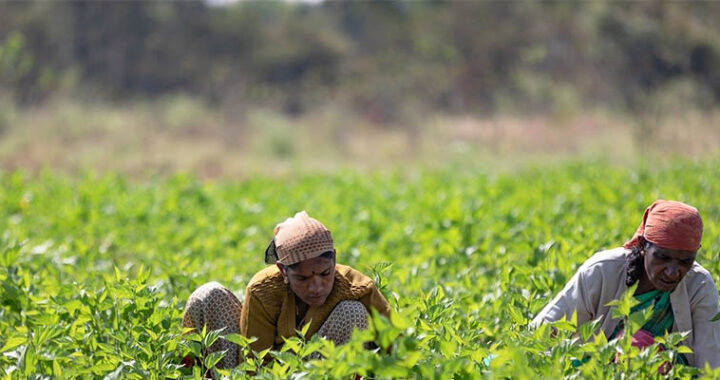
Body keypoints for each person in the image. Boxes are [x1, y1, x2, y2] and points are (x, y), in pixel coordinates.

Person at [182, 211, 392, 369]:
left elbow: (397, 342)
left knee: (352, 312)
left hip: (317, 371)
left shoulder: (355, 286)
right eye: (302, 278)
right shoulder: (262, 290)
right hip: (270, 372)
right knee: (208, 295)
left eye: (325, 274)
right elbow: (253, 362)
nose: (316, 287)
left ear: (334, 259)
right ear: (283, 270)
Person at [531, 200, 720, 369]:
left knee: (643, 348)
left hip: (668, 373)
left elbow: (710, 362)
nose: (672, 271)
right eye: (663, 257)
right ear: (643, 246)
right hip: (595, 370)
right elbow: (541, 334)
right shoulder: (602, 271)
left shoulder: (699, 285)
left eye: (685, 261)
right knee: (633, 344)